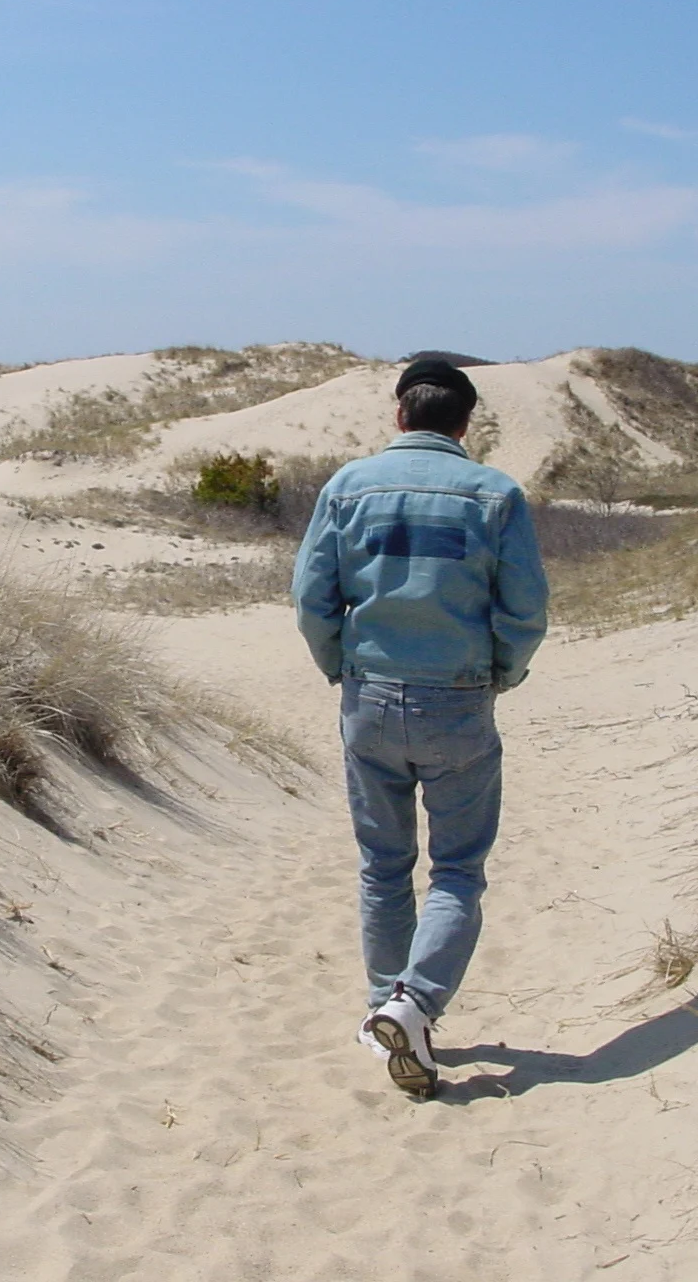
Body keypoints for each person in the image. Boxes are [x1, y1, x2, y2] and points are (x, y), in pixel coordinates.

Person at [290, 357, 549, 1097]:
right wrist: (501, 674)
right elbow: (525, 610)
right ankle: (414, 1004)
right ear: (466, 423)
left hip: (370, 696)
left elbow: (311, 598)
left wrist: (340, 666)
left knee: (383, 865)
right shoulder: (495, 493)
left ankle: (387, 1005)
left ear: (400, 415)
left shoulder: (349, 486)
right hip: (458, 698)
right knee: (458, 870)